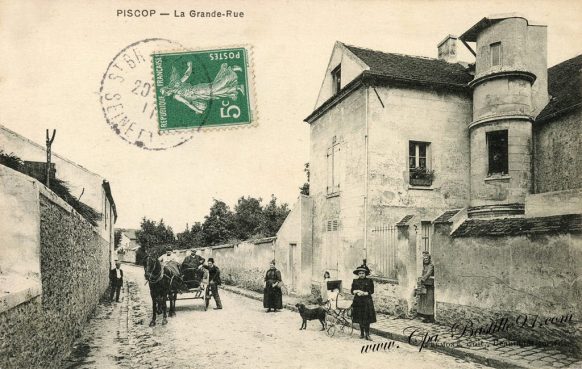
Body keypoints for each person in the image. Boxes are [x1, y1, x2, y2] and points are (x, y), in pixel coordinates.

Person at [351, 261, 376, 340]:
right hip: (358, 302)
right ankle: (361, 333)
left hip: (367, 302)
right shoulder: (355, 281)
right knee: (360, 317)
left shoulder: (369, 281)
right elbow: (352, 290)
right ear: (358, 274)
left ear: (365, 274)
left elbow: (371, 291)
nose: (361, 274)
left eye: (363, 273)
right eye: (360, 273)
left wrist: (365, 293)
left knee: (367, 318)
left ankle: (367, 334)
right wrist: (356, 291)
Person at [418, 251, 435, 323]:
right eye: (424, 258)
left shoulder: (431, 266)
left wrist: (422, 279)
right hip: (425, 285)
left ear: (429, 259)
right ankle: (425, 316)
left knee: (429, 301)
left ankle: (430, 317)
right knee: (424, 301)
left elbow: (428, 274)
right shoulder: (424, 266)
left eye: (427, 258)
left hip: (429, 286)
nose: (425, 260)